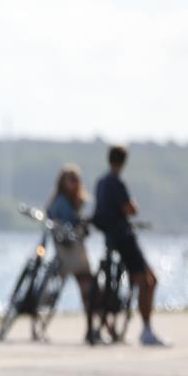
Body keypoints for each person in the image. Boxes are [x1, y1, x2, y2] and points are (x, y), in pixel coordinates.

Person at [92, 145, 167, 346]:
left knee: (131, 279)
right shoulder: (117, 183)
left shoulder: (101, 182)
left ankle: (106, 322)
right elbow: (130, 209)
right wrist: (133, 206)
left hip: (109, 238)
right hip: (123, 238)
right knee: (149, 281)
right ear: (124, 162)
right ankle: (147, 329)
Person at [45, 164, 96, 342]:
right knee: (87, 288)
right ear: (63, 182)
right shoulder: (60, 202)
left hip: (76, 250)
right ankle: (91, 329)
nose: (74, 182)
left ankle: (91, 329)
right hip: (68, 252)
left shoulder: (78, 202)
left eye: (76, 179)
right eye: (70, 179)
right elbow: (52, 222)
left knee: (88, 290)